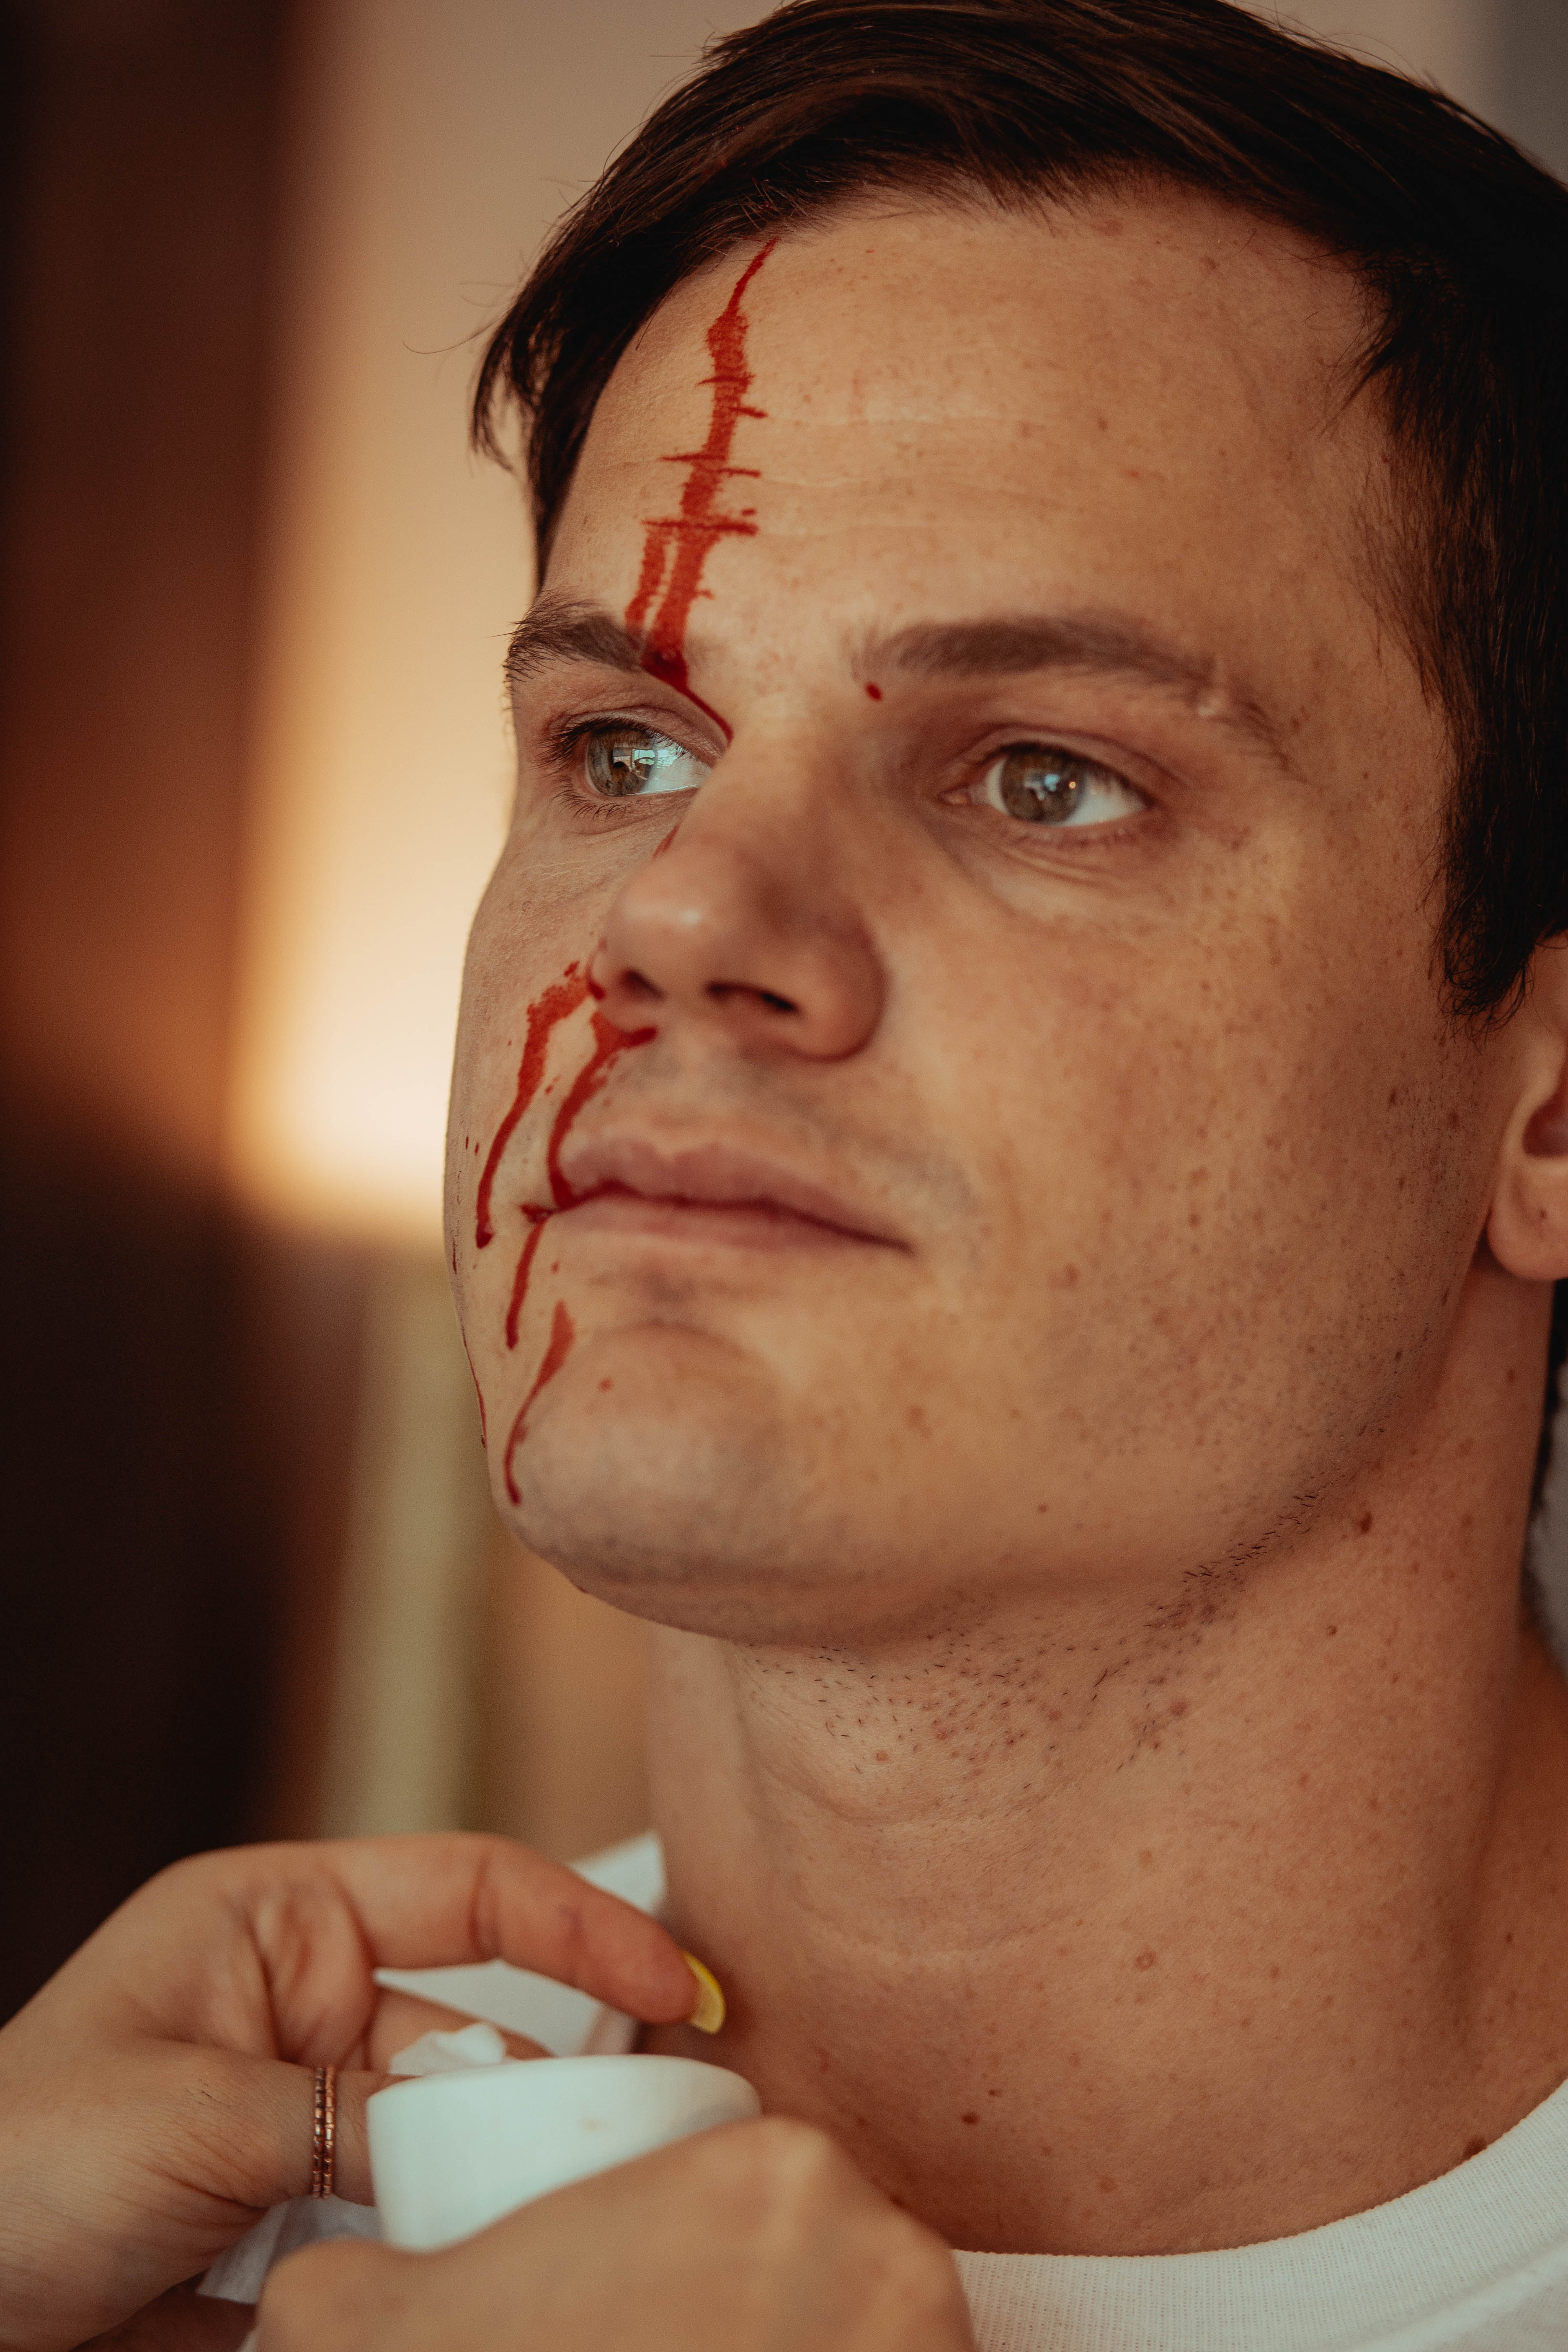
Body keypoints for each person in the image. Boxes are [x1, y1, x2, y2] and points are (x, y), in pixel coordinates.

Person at [5, 0, 1568, 2344]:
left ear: (1543, 1107)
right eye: (625, 749)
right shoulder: (140, 2243)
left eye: (1045, 777)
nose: (683, 916)